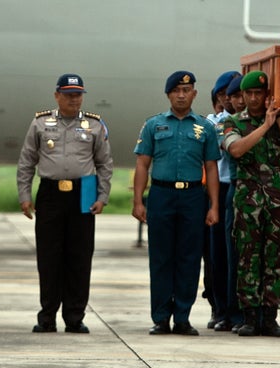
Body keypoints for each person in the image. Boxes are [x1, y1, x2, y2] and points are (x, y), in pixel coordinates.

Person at [17, 73, 113, 334]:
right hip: (50, 194)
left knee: (79, 258)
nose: (74, 99)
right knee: (49, 258)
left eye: (78, 94)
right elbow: (27, 162)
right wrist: (25, 196)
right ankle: (47, 316)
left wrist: (102, 197)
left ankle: (74, 317)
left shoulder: (94, 125)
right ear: (57, 95)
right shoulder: (40, 123)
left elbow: (105, 164)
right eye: (69, 94)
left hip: (82, 195)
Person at [133, 70, 220, 336]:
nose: (181, 95)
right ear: (169, 94)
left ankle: (182, 316)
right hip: (161, 195)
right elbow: (143, 164)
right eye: (176, 91)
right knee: (160, 258)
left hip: (193, 197)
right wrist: (138, 201)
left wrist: (214, 205)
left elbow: (212, 168)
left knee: (189, 258)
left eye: (186, 90)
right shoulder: (153, 125)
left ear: (194, 93)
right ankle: (160, 317)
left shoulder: (205, 127)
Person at [221, 71, 280, 337]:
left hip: (279, 203)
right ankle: (250, 316)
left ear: (266, 97)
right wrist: (264, 126)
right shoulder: (233, 123)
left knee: (276, 260)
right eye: (249, 94)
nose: (254, 98)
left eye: (259, 94)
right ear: (241, 96)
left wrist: (277, 120)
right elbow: (236, 150)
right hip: (249, 202)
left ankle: (270, 315)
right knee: (248, 259)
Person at [206, 70, 241, 331]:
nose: (238, 100)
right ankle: (220, 308)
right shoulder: (216, 122)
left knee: (238, 255)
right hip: (220, 189)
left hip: (242, 187)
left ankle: (235, 307)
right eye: (233, 94)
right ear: (221, 97)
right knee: (217, 255)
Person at [217, 75, 245, 333]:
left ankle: (260, 313)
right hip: (236, 191)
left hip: (264, 193)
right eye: (231, 96)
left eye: (239, 95)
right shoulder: (227, 123)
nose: (235, 100)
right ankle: (231, 312)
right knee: (230, 258)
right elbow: (234, 150)